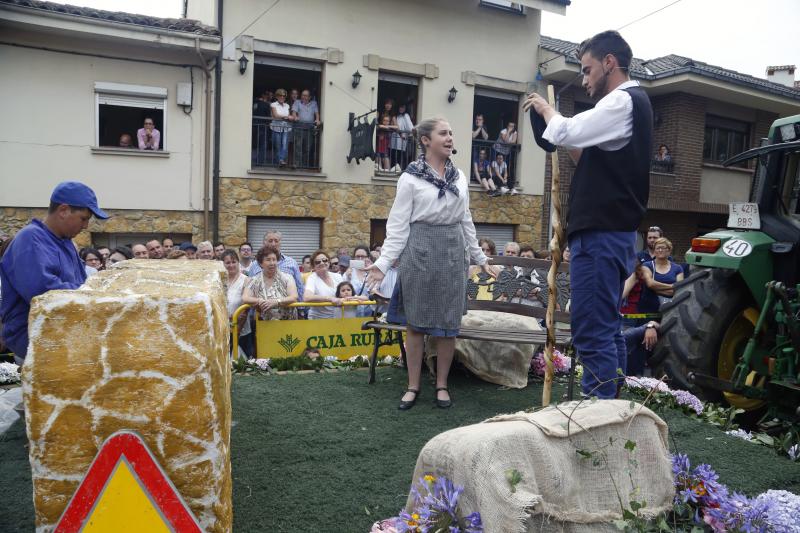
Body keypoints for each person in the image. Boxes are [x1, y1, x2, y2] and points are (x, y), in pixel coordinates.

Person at [524, 30, 653, 399]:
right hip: (611, 234)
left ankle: (597, 415)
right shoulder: (629, 106)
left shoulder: (622, 101)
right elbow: (585, 154)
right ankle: (611, 412)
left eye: (587, 69)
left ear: (609, 63)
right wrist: (562, 137)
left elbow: (565, 128)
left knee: (593, 331)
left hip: (601, 235)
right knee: (607, 329)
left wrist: (545, 109)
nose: (584, 79)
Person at [365, 116, 498, 410]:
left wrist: (479, 257)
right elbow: (398, 224)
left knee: (448, 324)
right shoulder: (410, 178)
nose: (450, 138)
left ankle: (442, 385)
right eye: (443, 133)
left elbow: (465, 219)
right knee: (416, 324)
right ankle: (413, 386)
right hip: (420, 251)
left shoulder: (459, 176)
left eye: (451, 133)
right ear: (426, 140)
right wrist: (383, 263)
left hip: (452, 253)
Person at [0, 181, 108, 363]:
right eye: (83, 218)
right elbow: (44, 294)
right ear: (63, 210)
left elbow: (83, 282)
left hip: (60, 333)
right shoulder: (30, 239)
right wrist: (96, 292)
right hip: (34, 338)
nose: (85, 226)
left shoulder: (66, 243)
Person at [242, 245, 298, 322]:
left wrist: (276, 302)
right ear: (261, 263)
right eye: (268, 260)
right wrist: (259, 301)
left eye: (274, 259)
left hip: (288, 323)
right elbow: (245, 298)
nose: (272, 263)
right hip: (265, 324)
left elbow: (294, 297)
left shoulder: (287, 277)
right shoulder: (254, 280)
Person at [250, 230, 305, 300]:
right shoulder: (255, 264)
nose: (273, 244)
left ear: (280, 243)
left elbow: (299, 287)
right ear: (264, 243)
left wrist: (301, 305)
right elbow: (250, 288)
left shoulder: (292, 263)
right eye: (270, 241)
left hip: (286, 305)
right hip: (261, 305)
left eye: (276, 241)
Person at [221, 250, 253, 358]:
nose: (231, 265)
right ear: (223, 264)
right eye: (228, 263)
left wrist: (237, 331)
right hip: (222, 330)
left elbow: (245, 309)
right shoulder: (219, 280)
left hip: (241, 331)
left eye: (233, 262)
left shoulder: (246, 280)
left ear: (238, 262)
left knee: (244, 364)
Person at [641, 237, 683, 306]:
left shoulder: (678, 268)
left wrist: (655, 289)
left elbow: (680, 289)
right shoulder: (647, 265)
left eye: (663, 248)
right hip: (648, 306)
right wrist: (673, 286)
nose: (660, 250)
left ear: (669, 250)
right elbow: (650, 284)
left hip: (671, 307)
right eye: (657, 248)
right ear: (654, 251)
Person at [303, 250, 343, 320]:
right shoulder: (312, 278)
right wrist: (330, 299)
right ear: (313, 266)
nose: (322, 263)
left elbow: (347, 293)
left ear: (329, 262)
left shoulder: (338, 276)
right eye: (317, 262)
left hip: (338, 319)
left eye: (324, 260)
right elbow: (307, 297)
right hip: (319, 320)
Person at [291, 89, 320, 168]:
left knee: (307, 148)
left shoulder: (314, 103)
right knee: (298, 147)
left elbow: (316, 113)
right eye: (302, 95)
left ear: (309, 97)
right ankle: (297, 164)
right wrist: (295, 117)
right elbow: (294, 112)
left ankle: (304, 165)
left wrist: (317, 120)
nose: (303, 97)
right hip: (299, 127)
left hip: (309, 128)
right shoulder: (297, 102)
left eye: (306, 95)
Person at [344, 245, 373, 317]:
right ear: (354, 258)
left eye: (363, 256)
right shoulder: (349, 273)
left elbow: (375, 292)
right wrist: (347, 277)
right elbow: (342, 292)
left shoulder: (372, 273)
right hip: (351, 313)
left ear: (368, 258)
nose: (360, 259)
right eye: (357, 256)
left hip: (368, 313)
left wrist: (371, 271)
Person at [270, 88, 294, 166]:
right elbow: (275, 115)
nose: (282, 97)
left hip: (286, 128)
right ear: (277, 96)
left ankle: (281, 160)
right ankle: (279, 161)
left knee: (284, 145)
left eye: (284, 96)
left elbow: (289, 116)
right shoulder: (273, 104)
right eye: (280, 95)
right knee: (278, 145)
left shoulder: (287, 105)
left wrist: (291, 117)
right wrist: (286, 117)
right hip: (276, 128)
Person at [391, 103, 414, 171]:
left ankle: (399, 170)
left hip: (401, 139)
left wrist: (410, 134)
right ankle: (394, 169)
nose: (401, 109)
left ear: (405, 108)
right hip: (394, 139)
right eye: (400, 107)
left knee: (399, 156)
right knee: (394, 155)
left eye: (403, 107)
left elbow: (410, 127)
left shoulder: (406, 115)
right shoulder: (397, 116)